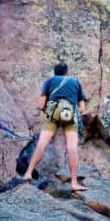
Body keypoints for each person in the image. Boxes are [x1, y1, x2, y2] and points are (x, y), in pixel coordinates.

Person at [21, 62, 88, 191]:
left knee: (42, 143)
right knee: (72, 146)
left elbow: (41, 105)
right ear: (67, 72)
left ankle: (28, 173)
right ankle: (74, 183)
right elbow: (82, 109)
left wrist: (50, 111)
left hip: (52, 114)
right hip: (70, 114)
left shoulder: (49, 81)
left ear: (54, 72)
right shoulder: (75, 83)